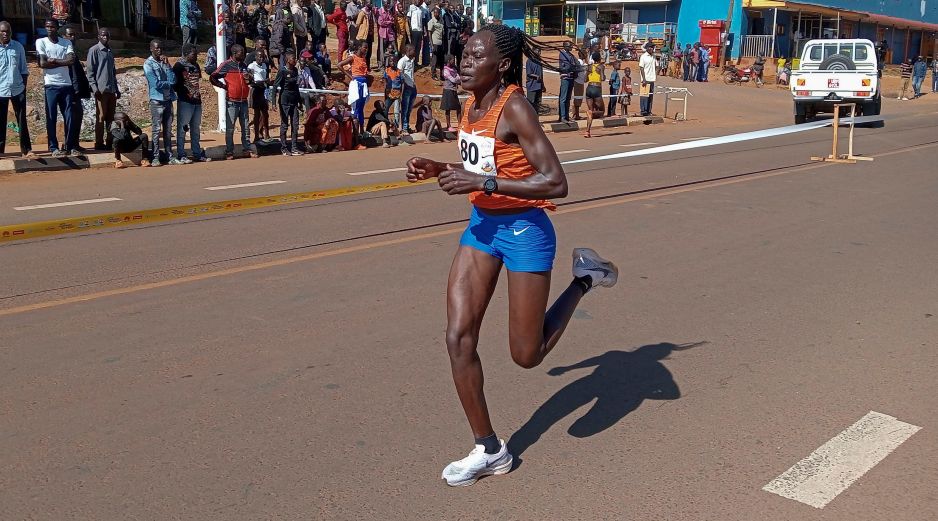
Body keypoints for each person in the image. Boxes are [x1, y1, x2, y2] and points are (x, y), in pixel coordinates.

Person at [404, 23, 618, 487]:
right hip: (482, 227)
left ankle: (585, 278)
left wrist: (482, 183)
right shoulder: (470, 103)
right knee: (458, 338)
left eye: (475, 56)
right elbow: (485, 166)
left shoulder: (514, 106)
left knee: (527, 354)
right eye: (463, 53)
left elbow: (556, 182)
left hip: (525, 231)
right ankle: (489, 449)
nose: (464, 62)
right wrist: (440, 169)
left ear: (500, 65)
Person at [36, 19, 77, 158]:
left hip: (66, 85)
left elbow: (71, 61)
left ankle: (69, 146)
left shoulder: (66, 42)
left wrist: (54, 60)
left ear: (57, 28)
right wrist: (62, 62)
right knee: (51, 117)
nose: (49, 29)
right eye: (47, 27)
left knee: (69, 116)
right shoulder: (41, 42)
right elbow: (42, 63)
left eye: (52, 27)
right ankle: (53, 147)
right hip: (51, 85)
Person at [210, 44, 258, 159]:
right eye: (241, 52)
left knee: (245, 127)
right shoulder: (226, 65)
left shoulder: (243, 65)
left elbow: (249, 82)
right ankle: (229, 151)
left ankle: (247, 149)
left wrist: (249, 78)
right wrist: (223, 86)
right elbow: (213, 77)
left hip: (243, 101)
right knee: (230, 127)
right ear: (234, 53)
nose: (243, 54)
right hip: (232, 102)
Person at [0, 21, 37, 159]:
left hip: (17, 88)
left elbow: (23, 69)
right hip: (0, 90)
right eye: (3, 31)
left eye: (8, 31)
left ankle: (26, 150)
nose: (5, 33)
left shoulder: (18, 47)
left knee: (22, 121)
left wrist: (23, 88)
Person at [143, 39, 180, 165]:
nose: (159, 50)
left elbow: (173, 79)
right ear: (151, 49)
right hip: (157, 101)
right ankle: (155, 157)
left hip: (168, 100)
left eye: (161, 48)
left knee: (168, 130)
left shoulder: (164, 62)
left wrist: (168, 66)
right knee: (156, 130)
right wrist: (169, 83)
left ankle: (170, 156)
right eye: (157, 48)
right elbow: (156, 84)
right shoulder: (148, 64)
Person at [173, 44, 209, 163]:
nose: (196, 56)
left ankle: (197, 153)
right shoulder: (178, 66)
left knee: (196, 129)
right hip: (185, 102)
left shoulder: (196, 65)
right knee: (183, 128)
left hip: (197, 101)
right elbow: (175, 85)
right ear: (186, 53)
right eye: (194, 54)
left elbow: (197, 81)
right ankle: (181, 154)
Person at [86, 28, 120, 151]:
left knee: (111, 118)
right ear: (98, 37)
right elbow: (90, 72)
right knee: (101, 117)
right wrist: (94, 88)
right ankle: (99, 143)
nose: (105, 38)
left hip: (111, 90)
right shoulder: (94, 50)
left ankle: (109, 141)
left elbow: (113, 72)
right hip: (100, 90)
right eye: (103, 35)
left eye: (107, 36)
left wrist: (117, 89)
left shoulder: (110, 51)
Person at [62, 27, 90, 154]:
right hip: (70, 91)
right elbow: (71, 74)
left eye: (74, 35)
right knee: (71, 118)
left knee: (78, 117)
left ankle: (75, 144)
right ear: (64, 36)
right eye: (69, 35)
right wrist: (75, 90)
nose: (72, 38)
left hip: (77, 92)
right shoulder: (65, 52)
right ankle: (69, 145)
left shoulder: (72, 51)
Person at [273, 49, 303, 155]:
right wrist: (273, 102)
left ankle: (294, 147)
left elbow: (296, 87)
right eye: (293, 58)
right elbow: (275, 86)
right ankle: (284, 148)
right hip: (284, 101)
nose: (295, 60)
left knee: (295, 125)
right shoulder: (282, 71)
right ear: (287, 60)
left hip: (294, 100)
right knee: (285, 124)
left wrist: (299, 101)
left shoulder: (295, 70)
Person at [337, 40, 370, 128]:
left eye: (367, 48)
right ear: (359, 47)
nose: (366, 49)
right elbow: (339, 65)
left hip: (364, 83)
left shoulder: (363, 58)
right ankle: (355, 130)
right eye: (365, 47)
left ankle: (362, 128)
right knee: (356, 107)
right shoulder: (352, 57)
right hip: (357, 84)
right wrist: (350, 76)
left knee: (361, 107)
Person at [247, 48, 272, 143]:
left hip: (264, 90)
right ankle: (256, 136)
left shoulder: (265, 65)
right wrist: (262, 81)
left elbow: (266, 77)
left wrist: (267, 82)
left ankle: (267, 134)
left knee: (265, 114)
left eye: (263, 57)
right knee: (257, 114)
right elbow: (251, 81)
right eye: (259, 57)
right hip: (256, 90)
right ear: (256, 57)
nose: (261, 59)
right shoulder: (251, 66)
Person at [583, 51, 604, 138]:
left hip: (589, 88)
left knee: (590, 110)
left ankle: (587, 131)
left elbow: (585, 80)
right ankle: (591, 113)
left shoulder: (589, 67)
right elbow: (602, 78)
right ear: (599, 58)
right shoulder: (601, 66)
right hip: (596, 88)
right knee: (602, 111)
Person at [397, 43, 417, 133]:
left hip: (412, 86)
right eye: (413, 50)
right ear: (408, 51)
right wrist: (405, 84)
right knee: (404, 108)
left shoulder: (412, 60)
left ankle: (407, 125)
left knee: (409, 108)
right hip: (406, 87)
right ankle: (404, 128)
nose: (415, 52)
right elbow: (399, 74)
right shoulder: (402, 61)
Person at [557, 40, 576, 122]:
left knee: (568, 98)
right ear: (565, 46)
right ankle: (562, 116)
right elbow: (567, 66)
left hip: (571, 78)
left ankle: (567, 116)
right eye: (570, 46)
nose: (571, 47)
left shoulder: (571, 55)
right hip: (565, 78)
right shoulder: (562, 55)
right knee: (563, 98)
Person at [441, 53, 461, 131]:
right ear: (449, 61)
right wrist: (456, 78)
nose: (454, 61)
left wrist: (456, 78)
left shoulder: (454, 69)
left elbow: (458, 78)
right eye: (453, 59)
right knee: (448, 109)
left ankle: (460, 124)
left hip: (453, 90)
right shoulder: (445, 70)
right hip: (448, 90)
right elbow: (453, 79)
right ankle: (448, 125)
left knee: (458, 108)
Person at [638, 42, 657, 116]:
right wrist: (644, 79)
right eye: (651, 47)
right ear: (647, 48)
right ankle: (643, 111)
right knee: (644, 96)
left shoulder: (654, 56)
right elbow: (641, 68)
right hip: (645, 79)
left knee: (650, 96)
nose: (652, 49)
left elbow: (657, 66)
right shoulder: (643, 56)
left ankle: (649, 110)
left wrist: (656, 73)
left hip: (652, 79)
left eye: (653, 47)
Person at [384, 52, 403, 127]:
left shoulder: (399, 72)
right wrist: (385, 93)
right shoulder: (387, 71)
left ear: (396, 62)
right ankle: (386, 123)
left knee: (396, 111)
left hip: (397, 94)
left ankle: (396, 125)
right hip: (389, 93)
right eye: (390, 61)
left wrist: (401, 93)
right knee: (385, 109)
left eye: (394, 61)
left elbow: (402, 83)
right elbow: (385, 82)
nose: (392, 63)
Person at [355, 0, 375, 70]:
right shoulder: (362, 12)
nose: (371, 4)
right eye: (369, 3)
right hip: (364, 35)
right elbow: (357, 24)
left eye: (371, 3)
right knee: (363, 51)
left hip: (370, 35)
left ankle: (367, 66)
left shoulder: (371, 12)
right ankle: (361, 66)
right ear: (366, 3)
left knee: (369, 51)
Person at [376, 1, 397, 67]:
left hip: (390, 33)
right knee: (382, 50)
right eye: (386, 3)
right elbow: (381, 23)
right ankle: (381, 64)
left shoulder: (389, 11)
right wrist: (389, 22)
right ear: (383, 3)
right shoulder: (379, 11)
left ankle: (390, 64)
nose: (388, 4)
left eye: (388, 3)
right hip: (383, 33)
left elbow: (392, 20)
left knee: (392, 48)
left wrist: (388, 22)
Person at [427, 7, 444, 80]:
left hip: (441, 43)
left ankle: (442, 75)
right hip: (435, 43)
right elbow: (429, 33)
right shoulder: (431, 21)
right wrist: (431, 44)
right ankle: (433, 75)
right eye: (435, 12)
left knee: (441, 60)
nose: (436, 14)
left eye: (437, 12)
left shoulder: (441, 21)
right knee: (435, 59)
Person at [525, 47, 543, 113]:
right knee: (531, 104)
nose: (539, 53)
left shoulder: (539, 61)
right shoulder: (529, 61)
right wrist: (536, 76)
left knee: (538, 104)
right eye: (538, 51)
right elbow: (529, 73)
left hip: (539, 86)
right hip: (532, 86)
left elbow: (541, 74)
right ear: (533, 51)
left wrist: (542, 85)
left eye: (540, 51)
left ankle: (537, 120)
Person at [406, 0, 423, 67]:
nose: (418, 1)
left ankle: (416, 62)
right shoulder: (411, 7)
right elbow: (408, 18)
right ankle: (411, 62)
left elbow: (422, 20)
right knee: (413, 47)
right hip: (414, 30)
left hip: (420, 30)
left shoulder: (421, 8)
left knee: (418, 47)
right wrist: (410, 27)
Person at [572, 49, 586, 120]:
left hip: (580, 81)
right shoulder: (580, 62)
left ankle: (575, 114)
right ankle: (576, 115)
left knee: (578, 98)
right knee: (578, 98)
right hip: (578, 82)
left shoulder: (581, 62)